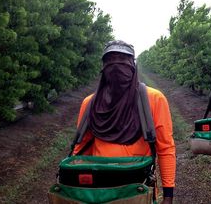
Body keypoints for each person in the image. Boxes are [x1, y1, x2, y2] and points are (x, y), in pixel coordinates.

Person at [72, 40, 176, 204]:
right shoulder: (91, 103)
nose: (116, 65)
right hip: (100, 192)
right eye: (110, 60)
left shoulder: (154, 100)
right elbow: (81, 148)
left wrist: (168, 196)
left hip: (138, 191)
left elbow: (165, 148)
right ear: (103, 67)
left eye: (122, 59)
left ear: (133, 66)